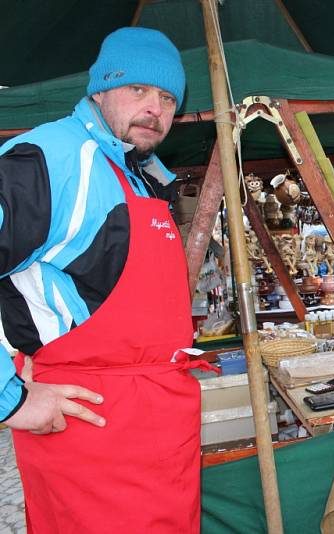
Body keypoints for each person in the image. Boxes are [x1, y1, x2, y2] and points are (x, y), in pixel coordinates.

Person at [0, 27, 214, 532]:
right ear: (99, 89)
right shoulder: (52, 159)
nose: (154, 108)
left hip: (159, 432)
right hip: (91, 437)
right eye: (138, 89)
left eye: (167, 98)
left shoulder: (140, 173)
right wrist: (11, 400)